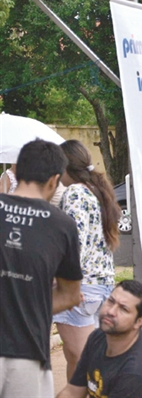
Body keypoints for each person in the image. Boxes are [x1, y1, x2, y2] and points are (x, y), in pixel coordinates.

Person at [0, 140, 82, 398]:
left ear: (16, 170)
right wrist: (28, 300)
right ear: (53, 180)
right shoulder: (62, 225)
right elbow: (70, 295)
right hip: (27, 352)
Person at [53, 140, 122, 381]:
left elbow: (76, 242)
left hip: (81, 287)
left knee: (79, 360)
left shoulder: (74, 193)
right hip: (101, 286)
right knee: (87, 358)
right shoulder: (97, 191)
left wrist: (69, 281)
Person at [57, 280, 142, 398]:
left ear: (139, 321)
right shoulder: (99, 337)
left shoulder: (136, 371)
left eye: (123, 309)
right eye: (111, 301)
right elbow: (72, 392)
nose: (111, 311)